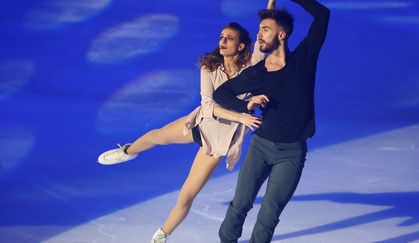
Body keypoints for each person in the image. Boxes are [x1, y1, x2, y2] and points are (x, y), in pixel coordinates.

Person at [97, 2, 275, 243]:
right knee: (155, 135)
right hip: (200, 123)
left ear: (241, 45)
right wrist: (241, 115)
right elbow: (209, 105)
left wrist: (271, 4)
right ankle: (128, 151)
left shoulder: (250, 67)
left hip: (218, 142)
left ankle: (162, 235)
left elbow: (263, 32)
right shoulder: (209, 67)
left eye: (229, 38)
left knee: (186, 196)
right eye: (221, 37)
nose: (222, 41)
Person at [212, 0, 330, 242]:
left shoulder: (304, 60)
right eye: (259, 30)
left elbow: (322, 14)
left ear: (282, 34)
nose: (259, 35)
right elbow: (221, 94)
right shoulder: (257, 73)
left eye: (265, 29)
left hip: (292, 152)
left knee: (269, 213)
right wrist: (246, 105)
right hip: (261, 147)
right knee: (240, 204)